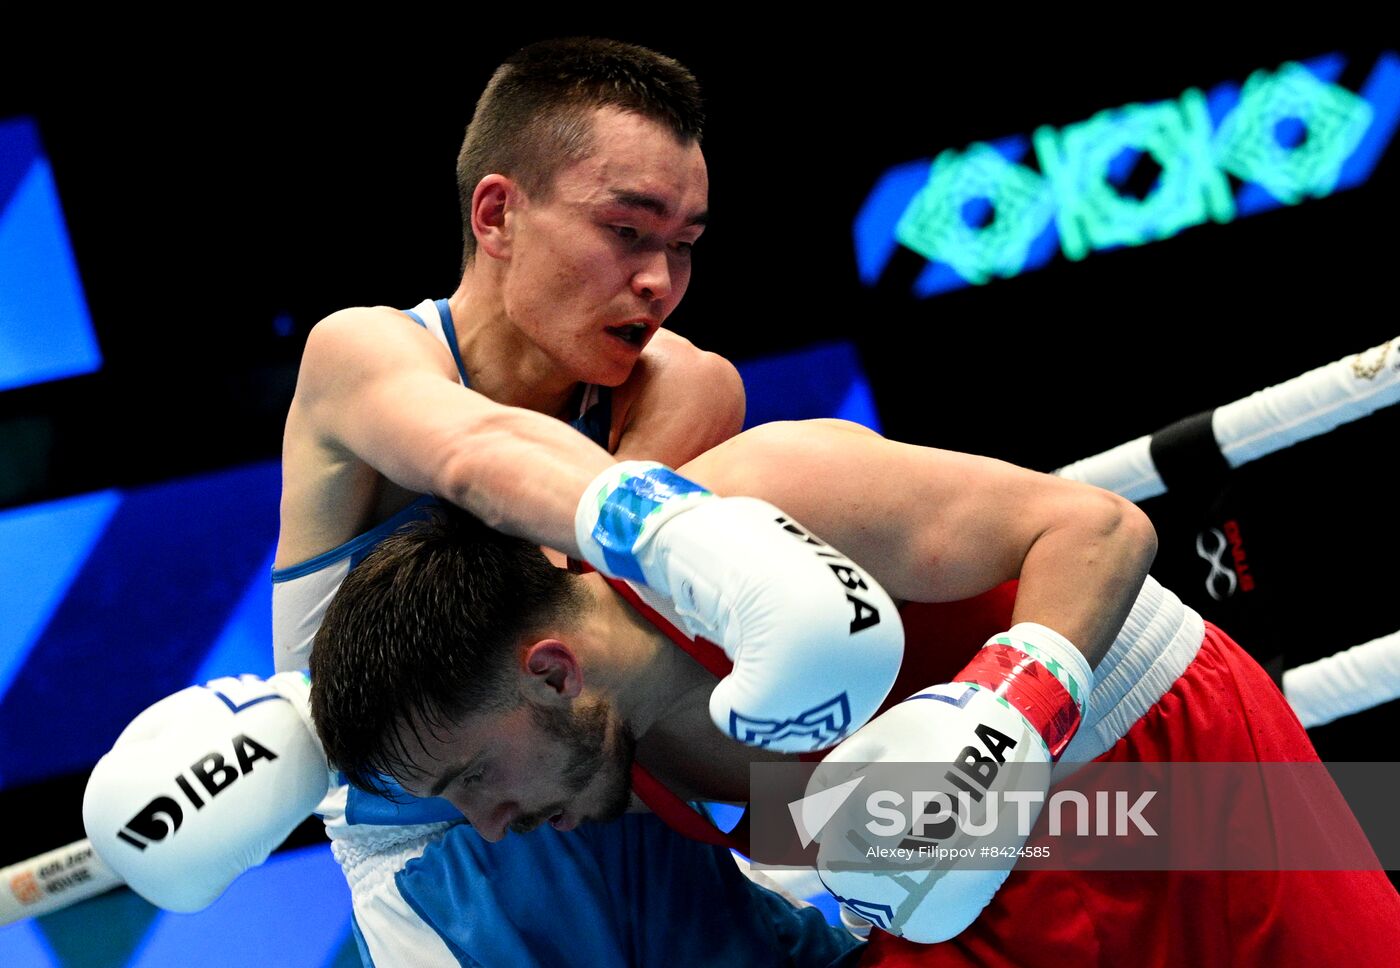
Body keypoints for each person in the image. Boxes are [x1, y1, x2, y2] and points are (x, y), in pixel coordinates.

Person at [84, 37, 872, 968]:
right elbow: (473, 455)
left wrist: (876, 828)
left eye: (685, 245)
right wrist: (677, 530)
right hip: (444, 865)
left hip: (644, 804)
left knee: (987, 840)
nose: (658, 281)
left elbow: (608, 642)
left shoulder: (687, 388)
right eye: (627, 231)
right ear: (497, 213)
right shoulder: (363, 356)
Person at [310, 418, 1400, 967]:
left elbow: (1100, 527)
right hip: (968, 880)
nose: (492, 826)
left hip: (1162, 775)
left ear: (552, 669)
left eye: (472, 776)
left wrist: (1000, 715)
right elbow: (882, 820)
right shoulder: (628, 768)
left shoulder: (757, 499)